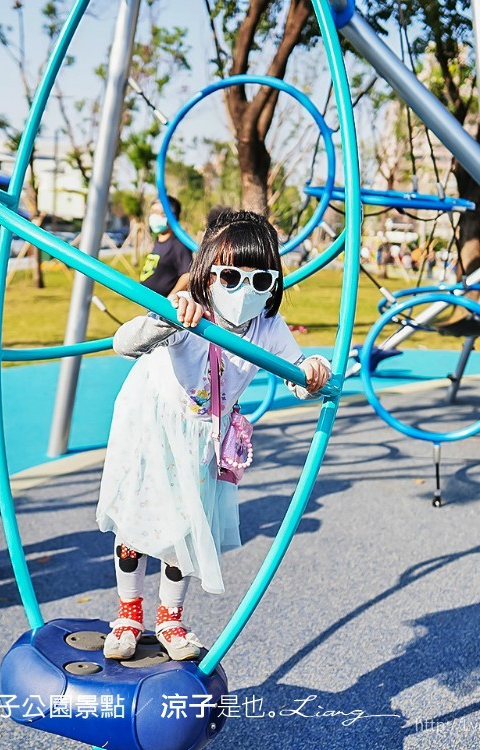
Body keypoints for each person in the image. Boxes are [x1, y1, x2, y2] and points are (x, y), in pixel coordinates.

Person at [96, 210, 332, 662]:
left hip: (204, 434)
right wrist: (166, 319)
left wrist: (313, 372)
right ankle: (128, 613)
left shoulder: (266, 326)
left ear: (273, 284)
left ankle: (170, 618)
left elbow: (297, 378)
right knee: (137, 522)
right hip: (155, 425)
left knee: (185, 527)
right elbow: (123, 344)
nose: (245, 291)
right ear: (207, 274)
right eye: (230, 276)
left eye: (259, 281)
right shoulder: (190, 310)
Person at [139, 196, 192, 296]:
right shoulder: (159, 241)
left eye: (162, 213)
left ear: (173, 217)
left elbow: (188, 275)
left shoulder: (179, 244)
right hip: (149, 304)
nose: (155, 217)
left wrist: (170, 299)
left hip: (163, 307)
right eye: (153, 212)